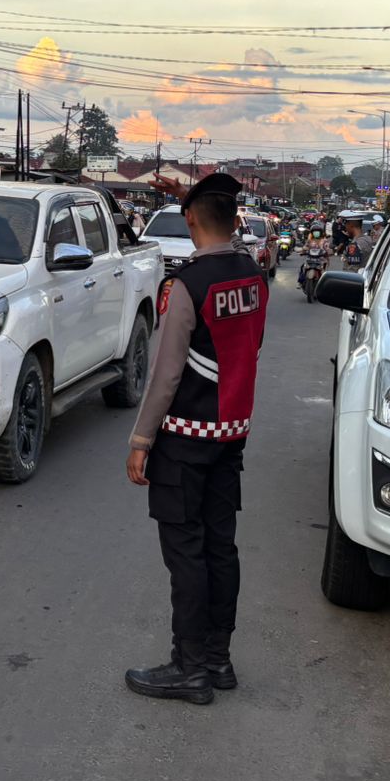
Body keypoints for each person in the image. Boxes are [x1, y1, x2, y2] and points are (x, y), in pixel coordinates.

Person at [125, 172, 269, 704]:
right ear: (235, 221)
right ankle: (218, 660)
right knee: (220, 548)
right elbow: (252, 350)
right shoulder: (253, 277)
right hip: (231, 435)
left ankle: (189, 668)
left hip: (184, 441)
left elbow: (165, 376)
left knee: (185, 555)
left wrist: (141, 440)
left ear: (190, 221)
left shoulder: (188, 285)